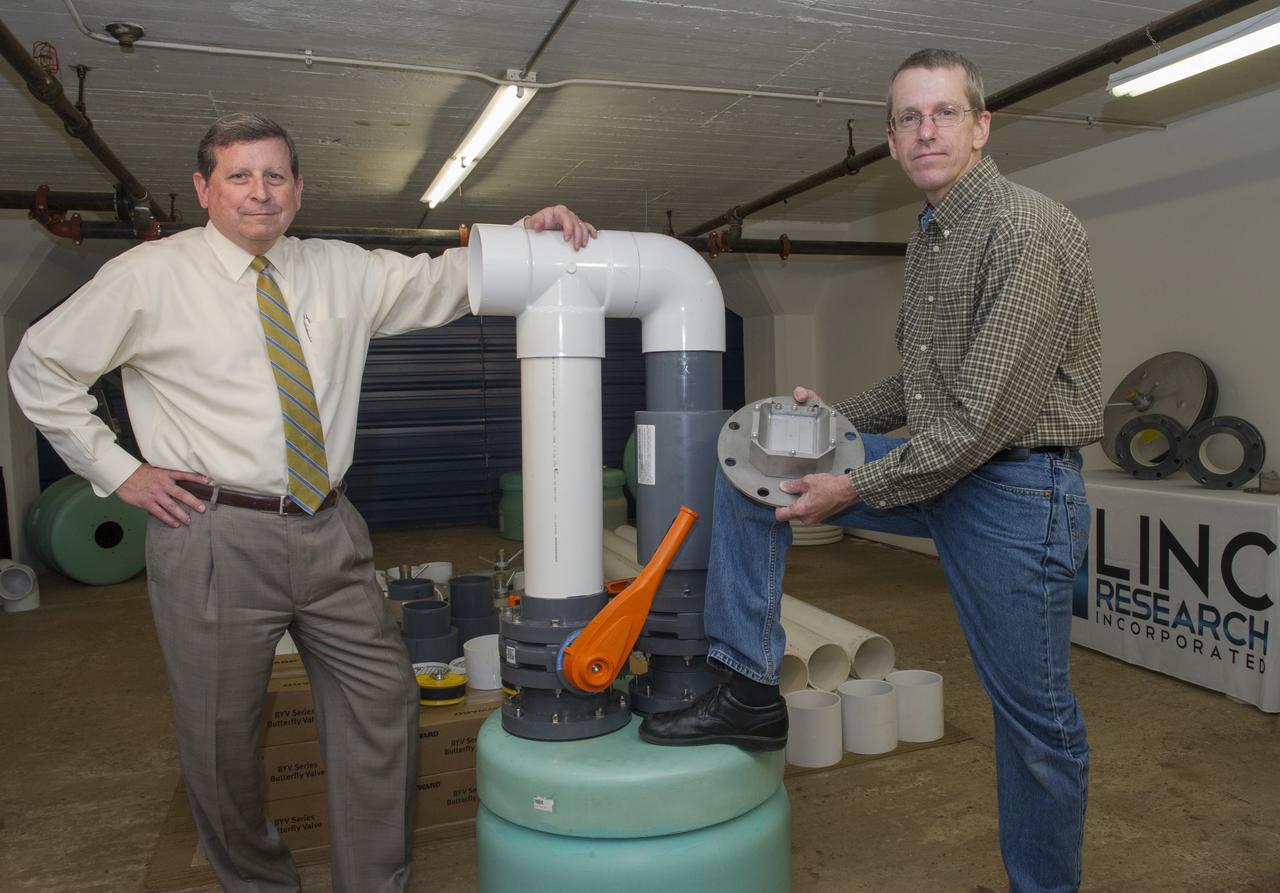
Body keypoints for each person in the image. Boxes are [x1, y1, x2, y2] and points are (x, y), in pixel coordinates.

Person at [9, 112, 595, 892]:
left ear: (298, 189)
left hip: (329, 528)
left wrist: (524, 238)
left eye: (275, 175)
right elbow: (40, 368)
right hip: (212, 533)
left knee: (383, 701)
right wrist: (121, 473)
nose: (260, 192)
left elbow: (441, 280)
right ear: (203, 189)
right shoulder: (148, 277)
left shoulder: (337, 268)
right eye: (239, 176)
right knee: (220, 741)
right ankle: (260, 882)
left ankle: (372, 882)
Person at [640, 48, 1101, 893]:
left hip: (1015, 492)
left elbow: (980, 418)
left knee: (1034, 723)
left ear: (981, 126)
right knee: (755, 467)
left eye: (944, 113)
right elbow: (922, 388)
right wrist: (833, 424)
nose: (926, 131)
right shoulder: (931, 236)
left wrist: (853, 483)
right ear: (889, 141)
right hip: (948, 465)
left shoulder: (1025, 231)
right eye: (908, 119)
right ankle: (749, 687)